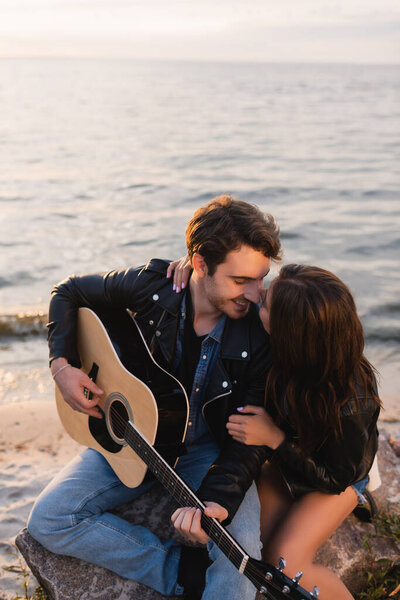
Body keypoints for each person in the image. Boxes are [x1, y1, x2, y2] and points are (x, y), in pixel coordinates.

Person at [27, 195, 282, 600]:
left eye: (261, 278)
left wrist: (216, 501)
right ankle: (178, 573)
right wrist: (63, 366)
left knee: (240, 559)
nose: (256, 294)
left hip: (208, 453)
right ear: (199, 264)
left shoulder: (259, 332)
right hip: (132, 437)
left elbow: (245, 441)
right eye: (240, 281)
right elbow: (69, 291)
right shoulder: (154, 286)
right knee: (51, 519)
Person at [224, 264, 381, 599]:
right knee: (248, 550)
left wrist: (274, 439)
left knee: (284, 562)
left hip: (337, 478)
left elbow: (336, 478)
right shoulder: (289, 352)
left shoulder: (351, 402)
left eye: (265, 302)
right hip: (286, 463)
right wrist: (184, 267)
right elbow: (214, 287)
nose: (257, 297)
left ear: (290, 334)